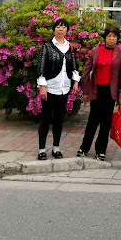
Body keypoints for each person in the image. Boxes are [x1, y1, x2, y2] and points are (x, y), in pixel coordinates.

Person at [76, 24, 121, 161]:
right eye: (109, 36)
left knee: (106, 123)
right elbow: (86, 72)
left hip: (111, 91)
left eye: (114, 36)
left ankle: (101, 150)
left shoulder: (120, 54)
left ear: (117, 38)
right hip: (96, 90)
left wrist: (120, 93)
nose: (112, 39)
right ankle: (84, 148)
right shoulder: (95, 51)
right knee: (93, 121)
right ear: (105, 38)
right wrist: (86, 91)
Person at [37, 18, 80, 160]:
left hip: (64, 88)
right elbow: (41, 68)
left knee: (59, 120)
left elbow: (74, 66)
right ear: (54, 29)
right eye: (58, 27)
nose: (61, 29)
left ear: (67, 30)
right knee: (45, 119)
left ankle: (56, 148)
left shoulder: (70, 47)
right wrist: (42, 87)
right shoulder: (47, 47)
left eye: (64, 27)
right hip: (50, 88)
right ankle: (41, 150)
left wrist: (75, 82)